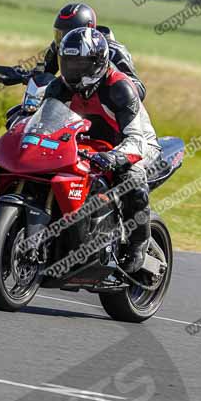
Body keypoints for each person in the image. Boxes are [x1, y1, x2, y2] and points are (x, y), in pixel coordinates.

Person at [44, 27, 160, 273]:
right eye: (69, 63)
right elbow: (45, 124)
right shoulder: (60, 88)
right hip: (91, 144)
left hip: (136, 143)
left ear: (97, 63)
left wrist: (115, 156)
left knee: (130, 177)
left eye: (80, 64)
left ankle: (139, 243)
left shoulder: (119, 88)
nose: (73, 70)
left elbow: (135, 140)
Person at [43, 3, 147, 100]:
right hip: (71, 105)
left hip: (104, 106)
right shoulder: (61, 45)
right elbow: (44, 72)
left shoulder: (113, 49)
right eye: (59, 33)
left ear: (88, 27)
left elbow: (138, 88)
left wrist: (120, 91)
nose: (64, 38)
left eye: (69, 32)